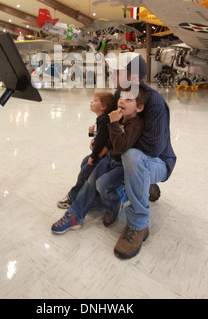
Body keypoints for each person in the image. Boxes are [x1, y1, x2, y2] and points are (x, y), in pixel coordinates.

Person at [51, 87, 150, 234]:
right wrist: (100, 145)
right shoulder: (120, 117)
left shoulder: (136, 124)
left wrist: (114, 123)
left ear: (139, 108)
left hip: (121, 165)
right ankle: (74, 216)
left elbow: (121, 146)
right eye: (122, 98)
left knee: (101, 184)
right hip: (109, 157)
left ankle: (114, 204)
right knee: (91, 181)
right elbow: (110, 138)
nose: (122, 101)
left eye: (129, 99)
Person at [109, 54, 177, 259]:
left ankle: (139, 223)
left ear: (134, 78)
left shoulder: (154, 102)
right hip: (134, 153)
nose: (112, 74)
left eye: (117, 71)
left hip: (159, 162)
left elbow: (154, 148)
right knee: (116, 154)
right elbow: (114, 127)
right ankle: (142, 184)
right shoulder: (118, 95)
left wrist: (122, 141)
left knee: (131, 156)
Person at [57, 91, 114, 210]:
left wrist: (93, 157)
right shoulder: (101, 119)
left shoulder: (103, 120)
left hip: (100, 157)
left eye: (95, 100)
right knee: (84, 164)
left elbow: (99, 142)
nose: (91, 102)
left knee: (84, 173)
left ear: (103, 107)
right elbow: (100, 137)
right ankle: (82, 193)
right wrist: (91, 133)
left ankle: (72, 197)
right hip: (99, 154)